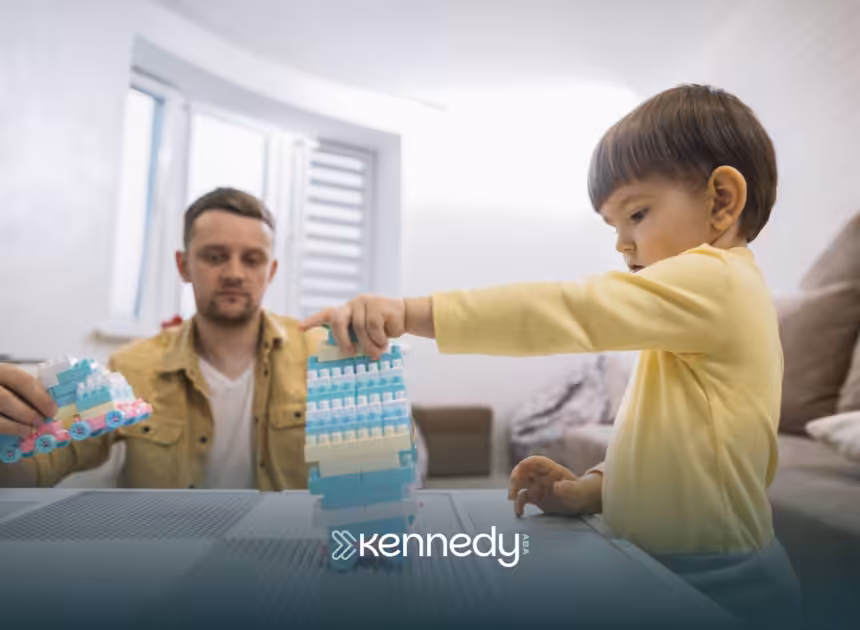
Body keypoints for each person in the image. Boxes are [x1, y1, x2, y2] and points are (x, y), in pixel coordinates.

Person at [299, 85, 802, 627]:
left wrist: (412, 312)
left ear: (721, 200)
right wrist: (593, 489)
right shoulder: (697, 311)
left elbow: (569, 310)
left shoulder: (719, 281)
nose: (622, 244)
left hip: (722, 583)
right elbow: (679, 447)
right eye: (613, 227)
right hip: (672, 564)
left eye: (636, 214)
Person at [0, 188, 326, 490]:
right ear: (183, 266)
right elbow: (43, 464)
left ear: (271, 272)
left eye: (252, 259)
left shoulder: (321, 355)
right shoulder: (131, 367)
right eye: (215, 256)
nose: (235, 274)